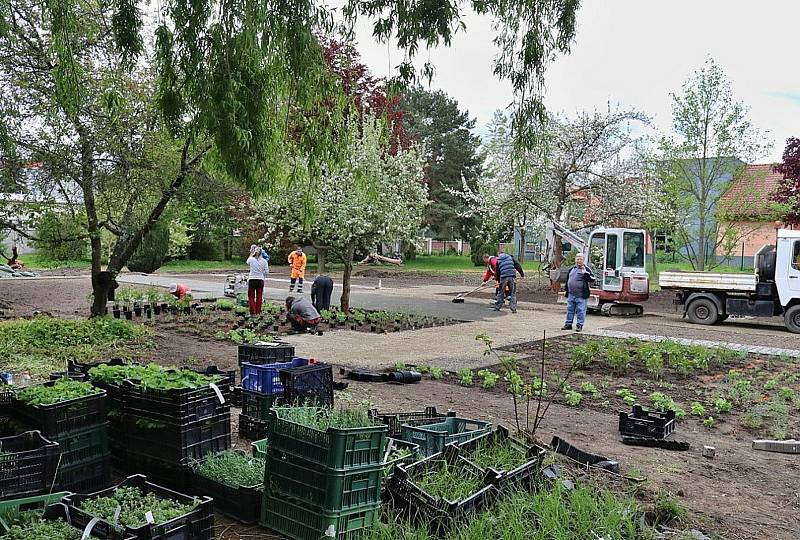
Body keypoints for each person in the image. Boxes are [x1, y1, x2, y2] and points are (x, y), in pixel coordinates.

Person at [562, 253, 596, 332]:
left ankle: (579, 325)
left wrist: (585, 274)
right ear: (575, 260)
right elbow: (568, 281)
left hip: (581, 295)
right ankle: (568, 324)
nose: (579, 261)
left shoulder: (586, 269)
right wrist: (566, 290)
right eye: (577, 259)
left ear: (583, 260)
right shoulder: (571, 269)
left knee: (581, 310)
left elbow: (592, 279)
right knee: (570, 310)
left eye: (581, 259)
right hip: (571, 294)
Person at [246, 244, 269, 315]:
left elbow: (247, 262)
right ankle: (258, 311)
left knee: (251, 296)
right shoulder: (264, 261)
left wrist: (252, 252)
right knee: (259, 297)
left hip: (252, 279)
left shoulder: (251, 260)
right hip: (260, 280)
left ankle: (253, 310)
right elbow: (266, 271)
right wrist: (262, 275)